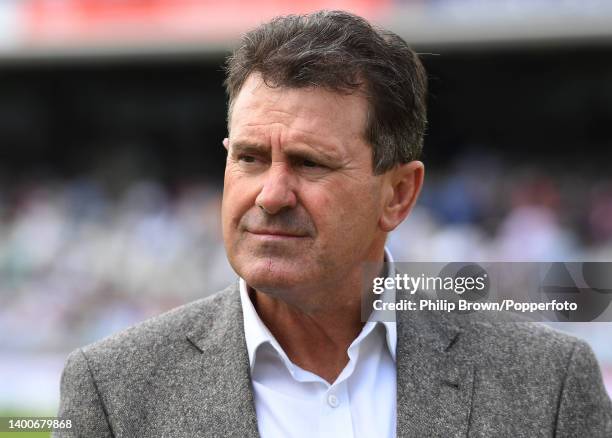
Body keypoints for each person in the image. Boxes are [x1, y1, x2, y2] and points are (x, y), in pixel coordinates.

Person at [55, 10, 612, 437]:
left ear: (397, 194)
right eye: (249, 157)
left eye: (309, 163)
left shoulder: (550, 384)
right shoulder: (112, 390)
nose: (270, 195)